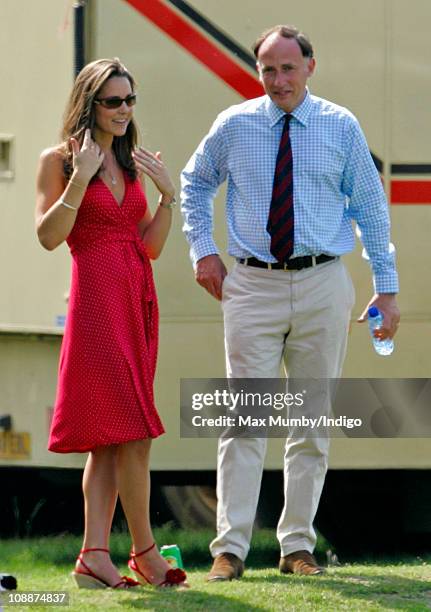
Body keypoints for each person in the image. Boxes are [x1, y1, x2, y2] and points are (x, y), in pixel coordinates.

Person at [181, 25, 400, 580]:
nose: (278, 79)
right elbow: (193, 183)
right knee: (245, 418)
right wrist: (205, 252)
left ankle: (296, 546)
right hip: (252, 284)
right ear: (258, 72)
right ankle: (229, 549)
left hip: (324, 281)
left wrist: (388, 288)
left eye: (288, 67)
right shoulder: (235, 124)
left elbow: (372, 210)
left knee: (311, 421)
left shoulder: (340, 126)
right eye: (268, 69)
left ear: (310, 66)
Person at [35, 58, 187, 589]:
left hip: (136, 300)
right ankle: (143, 552)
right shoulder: (58, 160)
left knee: (116, 436)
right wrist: (78, 180)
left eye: (130, 100)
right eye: (114, 101)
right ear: (89, 103)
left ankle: (94, 556)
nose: (125, 111)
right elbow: (50, 236)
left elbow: (150, 245)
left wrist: (169, 195)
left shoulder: (130, 160)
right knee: (132, 431)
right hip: (97, 303)